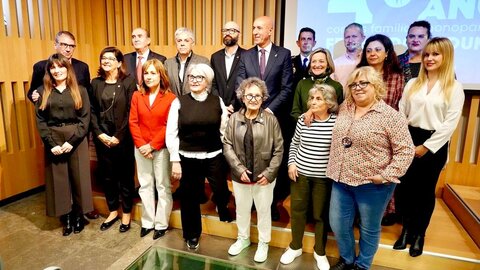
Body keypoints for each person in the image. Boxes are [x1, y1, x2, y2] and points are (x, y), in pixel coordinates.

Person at [327, 66, 414, 270]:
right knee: (338, 224)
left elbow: (406, 151)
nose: (358, 87)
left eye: (363, 83)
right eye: (354, 84)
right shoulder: (344, 107)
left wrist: (386, 176)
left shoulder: (390, 116)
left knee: (369, 228)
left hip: (373, 184)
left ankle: (363, 265)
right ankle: (347, 260)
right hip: (341, 179)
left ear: (376, 86)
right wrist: (311, 113)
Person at [395, 37, 465, 257]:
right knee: (404, 190)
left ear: (446, 56)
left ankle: (418, 235)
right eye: (427, 54)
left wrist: (426, 146)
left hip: (434, 144)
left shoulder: (454, 87)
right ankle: (405, 230)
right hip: (408, 137)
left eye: (435, 54)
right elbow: (401, 111)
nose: (430, 58)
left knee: (424, 193)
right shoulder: (412, 84)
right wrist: (406, 142)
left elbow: (450, 124)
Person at [166, 63, 232, 250]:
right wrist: (175, 160)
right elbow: (171, 133)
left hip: (214, 155)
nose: (194, 80)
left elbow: (224, 129)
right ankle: (192, 234)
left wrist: (227, 153)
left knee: (220, 189)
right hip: (188, 156)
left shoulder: (217, 101)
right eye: (191, 77)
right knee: (190, 198)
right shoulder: (179, 102)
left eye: (199, 77)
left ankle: (223, 208)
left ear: (208, 81)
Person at [236, 15, 294, 221]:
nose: (255, 31)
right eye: (253, 27)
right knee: (251, 156)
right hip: (250, 116)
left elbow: (287, 88)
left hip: (274, 117)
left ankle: (272, 203)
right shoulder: (246, 55)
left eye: (260, 28)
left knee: (272, 159)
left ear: (270, 30)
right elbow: (240, 85)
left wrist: (268, 111)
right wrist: (253, 106)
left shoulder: (284, 54)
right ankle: (251, 200)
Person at [223, 77, 283, 263]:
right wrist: (238, 168)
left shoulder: (271, 120)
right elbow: (227, 145)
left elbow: (279, 149)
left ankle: (263, 242)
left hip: (264, 177)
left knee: (264, 210)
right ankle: (243, 238)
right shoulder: (234, 119)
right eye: (250, 95)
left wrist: (269, 173)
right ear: (242, 97)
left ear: (263, 98)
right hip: (240, 175)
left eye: (258, 96)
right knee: (242, 209)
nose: (254, 99)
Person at [280, 84, 338, 270]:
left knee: (320, 215)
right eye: (312, 98)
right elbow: (294, 143)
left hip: (323, 178)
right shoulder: (303, 120)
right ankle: (295, 246)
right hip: (301, 174)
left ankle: (319, 251)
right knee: (297, 211)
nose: (313, 102)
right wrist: (291, 163)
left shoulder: (337, 122)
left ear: (329, 102)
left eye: (318, 98)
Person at [35, 53, 93, 236]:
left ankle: (78, 215)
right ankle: (66, 216)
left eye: (60, 67)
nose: (57, 70)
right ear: (49, 71)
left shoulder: (80, 90)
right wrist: (51, 143)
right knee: (58, 179)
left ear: (67, 69)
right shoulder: (43, 91)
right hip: (53, 138)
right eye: (53, 67)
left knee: (79, 178)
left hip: (76, 137)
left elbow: (85, 118)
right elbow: (40, 120)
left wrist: (73, 141)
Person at [357, 34, 405, 226]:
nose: (372, 53)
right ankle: (359, 213)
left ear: (387, 53)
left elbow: (400, 106)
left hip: (386, 133)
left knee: (381, 175)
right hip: (360, 131)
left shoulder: (396, 76)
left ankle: (381, 213)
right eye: (368, 50)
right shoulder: (359, 74)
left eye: (377, 49)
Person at [90, 47, 136, 232]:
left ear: (119, 63)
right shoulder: (95, 83)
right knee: (107, 176)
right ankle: (112, 211)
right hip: (102, 137)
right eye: (103, 58)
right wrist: (100, 134)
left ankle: (126, 213)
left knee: (125, 176)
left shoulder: (128, 82)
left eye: (111, 58)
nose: (106, 61)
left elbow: (130, 112)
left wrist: (118, 136)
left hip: (123, 138)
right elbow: (92, 111)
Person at [129, 59, 176, 239]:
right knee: (145, 185)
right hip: (141, 148)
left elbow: (169, 126)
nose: (149, 77)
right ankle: (148, 222)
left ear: (161, 75)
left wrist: (152, 145)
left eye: (153, 73)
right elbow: (133, 122)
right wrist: (142, 145)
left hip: (161, 148)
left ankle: (161, 224)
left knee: (163, 186)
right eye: (146, 73)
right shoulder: (137, 96)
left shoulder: (171, 98)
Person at [28, 31, 91, 103]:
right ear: (55, 45)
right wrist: (36, 97)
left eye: (71, 46)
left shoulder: (83, 67)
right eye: (64, 45)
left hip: (78, 112)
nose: (68, 49)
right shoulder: (40, 67)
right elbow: (31, 93)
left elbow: (88, 93)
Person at [291, 48, 343, 121]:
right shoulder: (302, 84)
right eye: (313, 61)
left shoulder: (336, 86)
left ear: (328, 64)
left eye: (321, 61)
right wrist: (305, 119)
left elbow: (339, 113)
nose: (317, 65)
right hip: (306, 128)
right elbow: (295, 112)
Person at [210, 21, 245, 114]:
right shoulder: (215, 57)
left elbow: (246, 83)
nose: (227, 33)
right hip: (218, 109)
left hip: (239, 109)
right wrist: (221, 104)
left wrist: (233, 104)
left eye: (232, 30)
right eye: (225, 30)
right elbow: (212, 84)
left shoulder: (247, 56)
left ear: (239, 34)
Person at [164, 27, 210, 97]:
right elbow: (165, 86)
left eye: (186, 40)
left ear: (193, 43)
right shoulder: (168, 63)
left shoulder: (203, 61)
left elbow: (208, 86)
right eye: (179, 41)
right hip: (173, 104)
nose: (182, 44)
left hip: (196, 105)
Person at [332, 23, 365, 88]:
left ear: (363, 38)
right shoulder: (335, 63)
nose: (350, 40)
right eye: (347, 37)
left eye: (354, 36)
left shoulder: (370, 60)